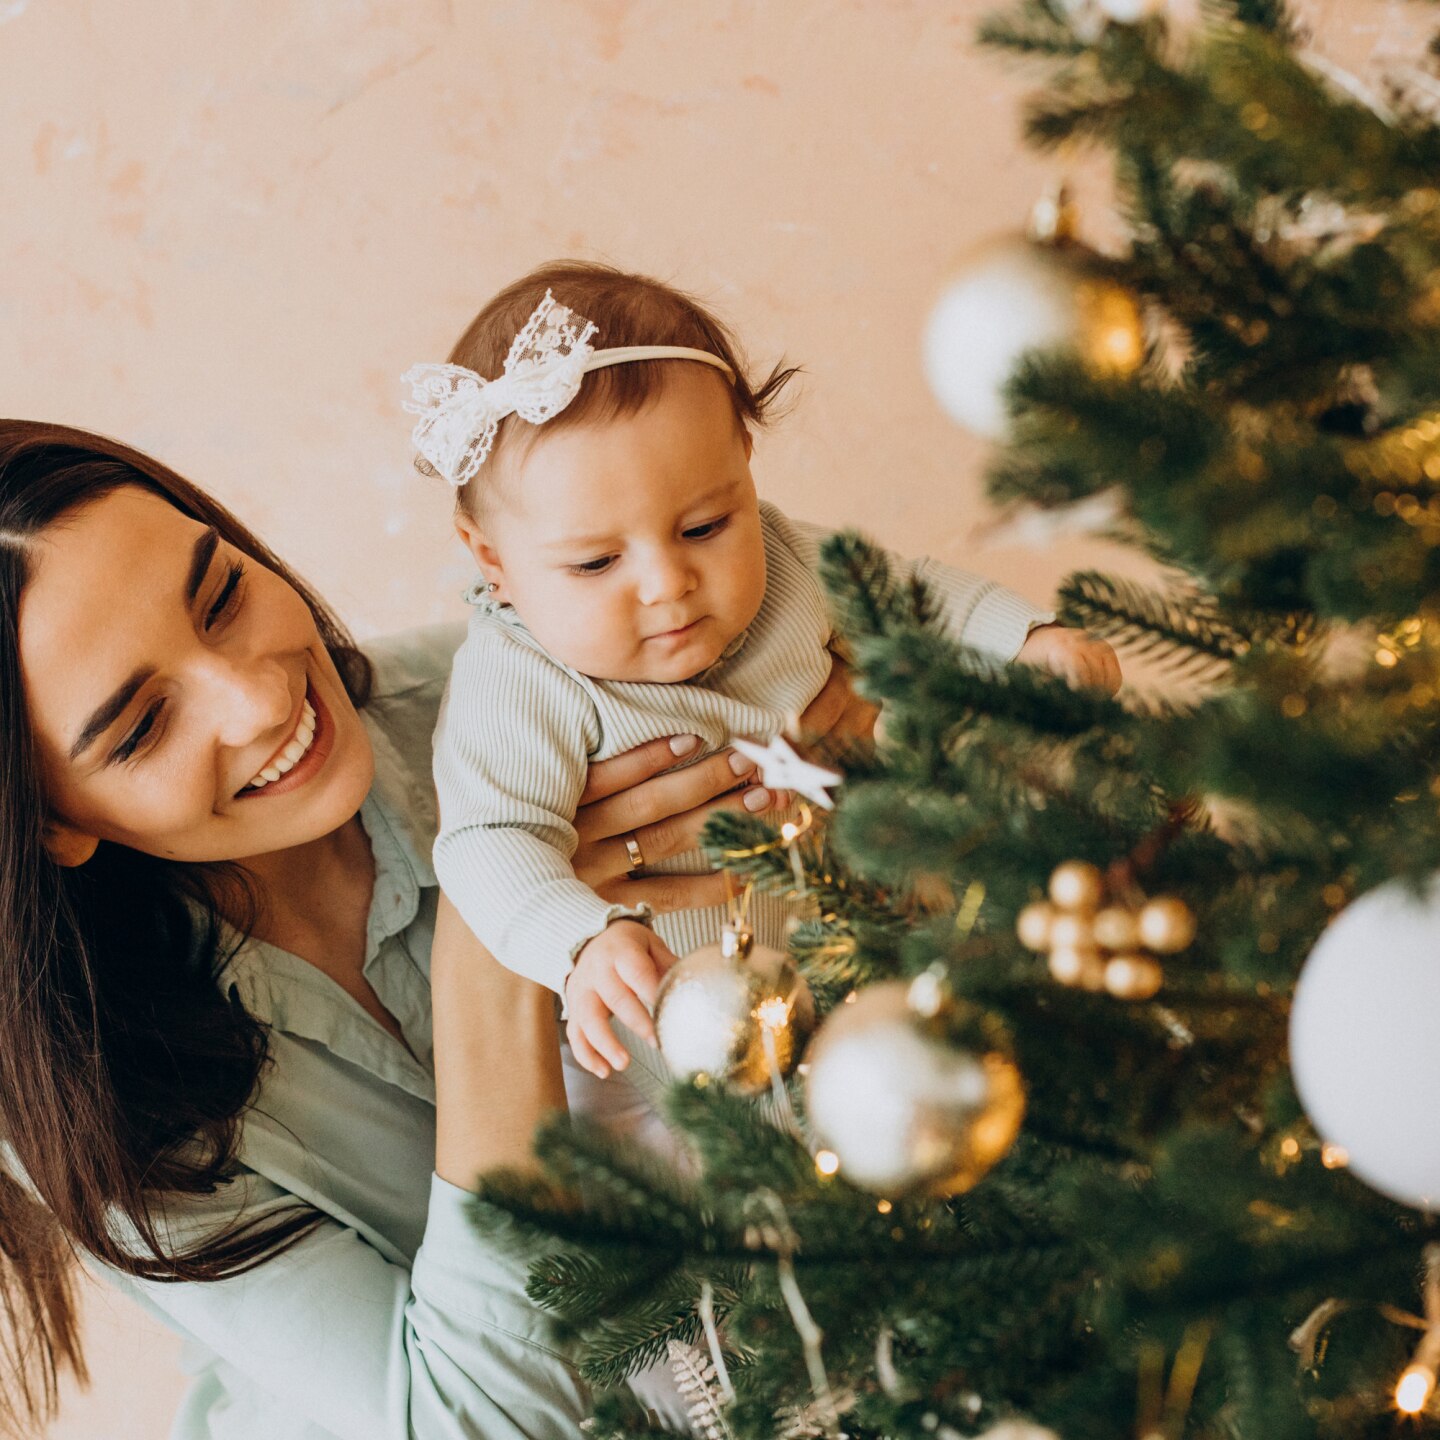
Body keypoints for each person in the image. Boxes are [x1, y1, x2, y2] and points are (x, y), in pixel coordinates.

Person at [0, 419, 869, 1438]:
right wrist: (497, 924)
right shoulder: (78, 1088)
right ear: (51, 823)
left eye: (222, 597)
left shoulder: (546, 702)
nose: (260, 697)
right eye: (144, 726)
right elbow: (475, 1427)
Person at [403, 261, 1122, 1098]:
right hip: (701, 1041)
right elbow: (490, 841)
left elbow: (915, 598)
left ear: (746, 465)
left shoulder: (789, 562)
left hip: (891, 941)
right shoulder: (518, 680)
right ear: (493, 560)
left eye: (706, 525)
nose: (668, 582)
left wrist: (1025, 640)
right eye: (597, 561)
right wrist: (581, 940)